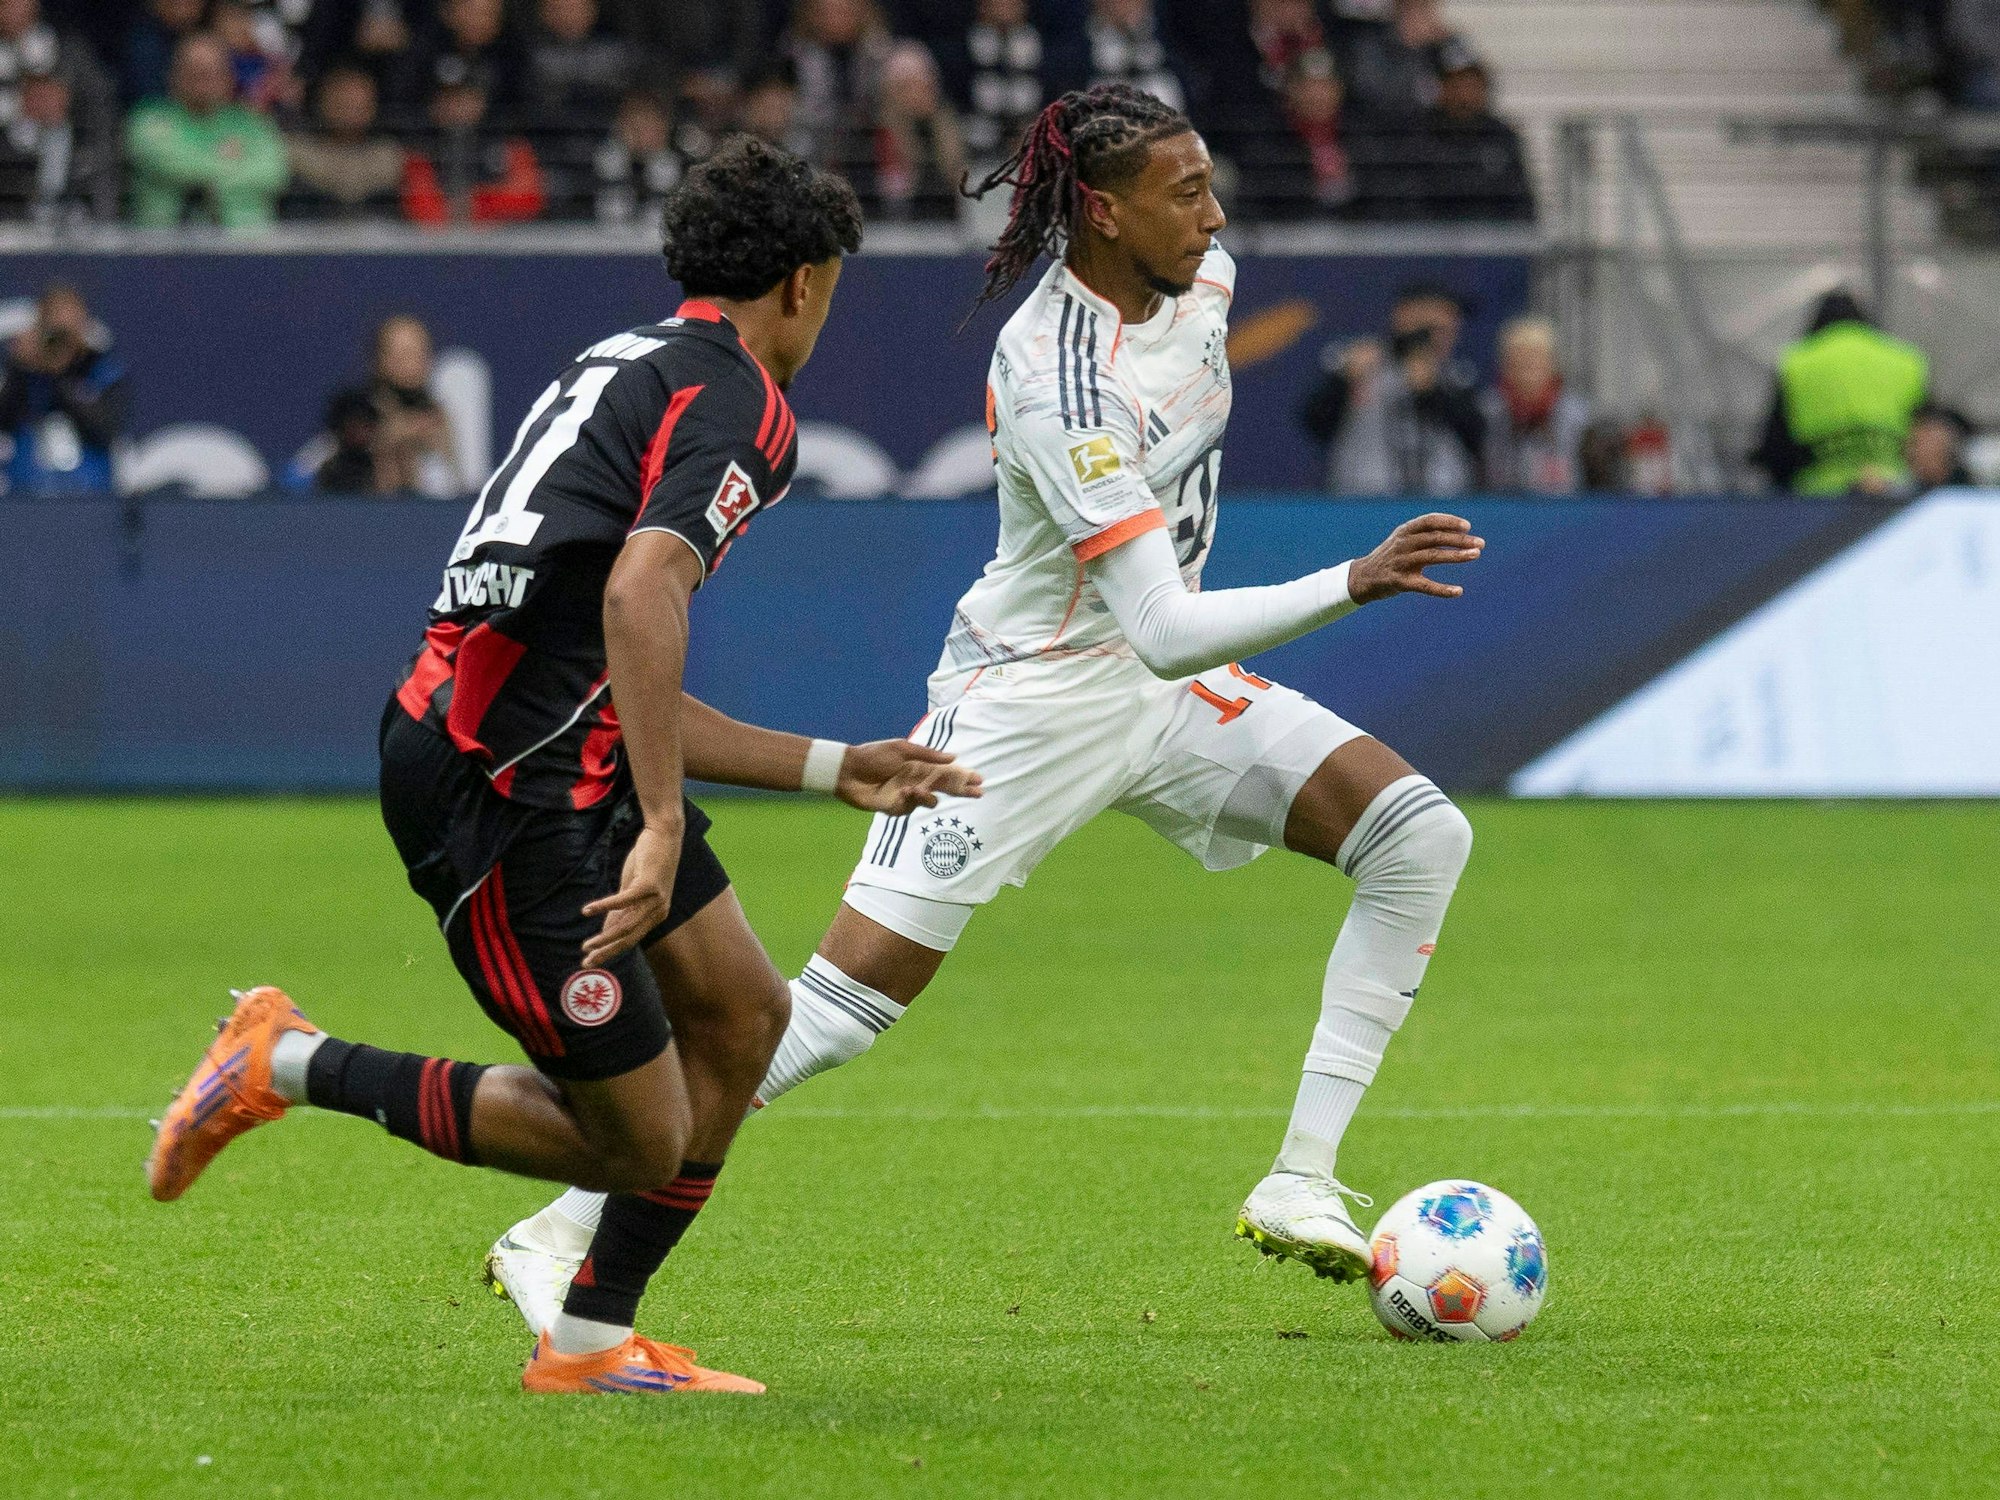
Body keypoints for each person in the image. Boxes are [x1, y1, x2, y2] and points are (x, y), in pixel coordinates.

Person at [483, 85, 1482, 1331]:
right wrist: (1352, 579)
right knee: (829, 1014)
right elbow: (1164, 627)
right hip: (1032, 702)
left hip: (1155, 694)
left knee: (1417, 834)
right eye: (1184, 193)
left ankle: (1299, 1180)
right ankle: (556, 1224)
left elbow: (1162, 644)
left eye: (1209, 185)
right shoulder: (1056, 375)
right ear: (1101, 211)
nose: (1215, 217)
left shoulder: (1202, 277)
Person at [147, 136, 982, 1398]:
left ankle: (591, 1344)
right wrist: (662, 823)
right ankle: (281, 1061)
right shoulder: (745, 401)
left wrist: (829, 769)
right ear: (804, 282)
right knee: (635, 1139)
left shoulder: (623, 360)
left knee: (744, 1016)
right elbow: (643, 596)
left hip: (543, 749)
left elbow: (605, 669)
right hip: (501, 785)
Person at [1297, 282, 1484, 495]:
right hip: (1363, 501)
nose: (1448, 331)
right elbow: (1316, 424)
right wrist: (1342, 382)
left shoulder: (1457, 377)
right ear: (1404, 317)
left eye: (1451, 325)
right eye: (1436, 325)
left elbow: (1477, 436)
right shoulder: (1361, 363)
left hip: (1443, 503)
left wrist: (1432, 392)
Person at [1749, 288, 1928, 495]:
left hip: (1819, 495)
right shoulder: (1905, 359)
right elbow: (1927, 431)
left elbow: (1776, 444)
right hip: (1895, 490)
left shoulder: (1797, 362)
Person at [125, 31, 289, 229]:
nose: (202, 83)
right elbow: (170, 165)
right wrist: (232, 166)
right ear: (173, 75)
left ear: (229, 78)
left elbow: (273, 173)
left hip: (245, 241)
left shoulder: (252, 124)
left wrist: (204, 172)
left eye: (212, 73)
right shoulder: (149, 120)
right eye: (194, 72)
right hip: (162, 242)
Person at [0, 282, 126, 496]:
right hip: (27, 497)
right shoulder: (24, 374)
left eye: (67, 329)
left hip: (92, 496)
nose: (59, 341)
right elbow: (4, 419)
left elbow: (106, 429)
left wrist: (63, 374)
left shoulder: (102, 370)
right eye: (53, 330)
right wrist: (21, 365)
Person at [1478, 314, 1590, 493]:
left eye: (1535, 358)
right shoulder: (1485, 413)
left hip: (1565, 506)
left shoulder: (1579, 417)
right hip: (1500, 505)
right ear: (1504, 366)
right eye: (1518, 359)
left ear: (1552, 364)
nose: (1527, 367)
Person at [283, 62, 404, 219]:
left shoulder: (387, 153)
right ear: (322, 101)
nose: (349, 110)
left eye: (357, 104)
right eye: (342, 102)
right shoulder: (297, 149)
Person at [871, 38, 966, 221]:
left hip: (947, 225)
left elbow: (957, 178)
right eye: (907, 87)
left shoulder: (947, 127)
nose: (917, 93)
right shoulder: (878, 133)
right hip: (894, 225)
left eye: (923, 85)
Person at [365, 314, 461, 495]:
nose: (412, 361)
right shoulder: (358, 413)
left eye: (419, 352)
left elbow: (455, 483)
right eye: (403, 353)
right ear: (380, 358)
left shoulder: (437, 415)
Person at [1906, 401, 1974, 491]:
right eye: (1914, 442)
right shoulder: (1908, 492)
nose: (1912, 450)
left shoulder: (1971, 493)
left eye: (1926, 441)